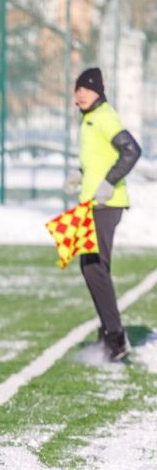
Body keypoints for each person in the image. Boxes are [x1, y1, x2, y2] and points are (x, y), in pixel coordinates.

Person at [67, 67, 141, 361]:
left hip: (105, 206)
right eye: (78, 89)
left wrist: (109, 182)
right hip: (91, 205)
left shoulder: (105, 117)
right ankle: (109, 334)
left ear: (98, 91)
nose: (81, 93)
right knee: (93, 268)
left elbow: (132, 151)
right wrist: (80, 173)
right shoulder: (90, 119)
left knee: (94, 268)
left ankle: (115, 339)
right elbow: (100, 158)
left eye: (87, 88)